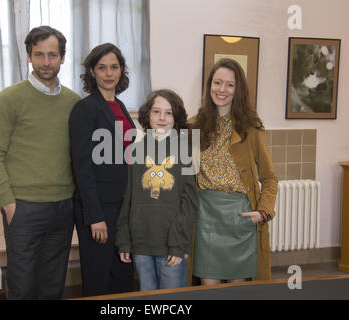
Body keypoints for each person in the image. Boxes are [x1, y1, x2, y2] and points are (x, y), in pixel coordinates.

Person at [0, 26, 80, 299]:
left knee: (53, 286)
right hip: (23, 208)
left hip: (63, 207)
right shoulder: (9, 99)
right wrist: (7, 202)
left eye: (52, 55)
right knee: (23, 286)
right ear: (29, 56)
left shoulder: (74, 102)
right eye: (39, 55)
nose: (46, 62)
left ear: (62, 58)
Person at [190, 58, 278, 285]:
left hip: (241, 217)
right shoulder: (193, 126)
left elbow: (269, 178)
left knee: (237, 292)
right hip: (206, 218)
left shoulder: (252, 128)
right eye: (217, 83)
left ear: (238, 89)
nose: (222, 90)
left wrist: (264, 211)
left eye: (230, 84)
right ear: (209, 85)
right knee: (209, 290)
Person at [69, 43, 135, 297]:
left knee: (122, 274)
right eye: (102, 67)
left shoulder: (120, 107)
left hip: (121, 206)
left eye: (114, 67)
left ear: (121, 71)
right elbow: (82, 166)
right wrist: (95, 216)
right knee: (98, 277)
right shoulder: (84, 109)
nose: (109, 73)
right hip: (97, 209)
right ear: (92, 71)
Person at [116, 89, 198, 291]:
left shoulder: (184, 151)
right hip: (141, 244)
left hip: (171, 246)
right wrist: (124, 239)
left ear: (176, 117)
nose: (162, 118)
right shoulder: (135, 151)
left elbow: (189, 203)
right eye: (156, 111)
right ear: (147, 115)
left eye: (168, 113)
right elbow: (127, 198)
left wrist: (178, 244)